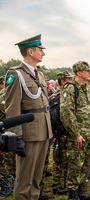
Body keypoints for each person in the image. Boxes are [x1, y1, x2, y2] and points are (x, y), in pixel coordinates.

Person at [5, 34, 52, 200]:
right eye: (40, 50)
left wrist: (49, 131)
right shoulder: (16, 74)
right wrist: (16, 137)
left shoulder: (39, 74)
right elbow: (12, 109)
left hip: (43, 131)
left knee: (36, 178)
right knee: (25, 181)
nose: (43, 53)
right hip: (28, 134)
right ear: (30, 52)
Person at [60, 61, 90, 200]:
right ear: (79, 73)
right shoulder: (70, 89)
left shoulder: (87, 88)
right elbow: (66, 113)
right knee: (76, 164)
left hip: (89, 133)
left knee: (87, 163)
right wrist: (75, 134)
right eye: (87, 71)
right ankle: (73, 194)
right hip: (78, 135)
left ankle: (81, 190)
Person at [51, 71, 74, 195]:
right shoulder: (57, 97)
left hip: (66, 133)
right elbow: (55, 117)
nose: (72, 82)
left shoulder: (65, 95)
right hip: (60, 134)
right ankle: (56, 185)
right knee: (59, 160)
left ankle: (64, 183)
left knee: (67, 160)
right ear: (63, 81)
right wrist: (61, 132)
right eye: (69, 80)